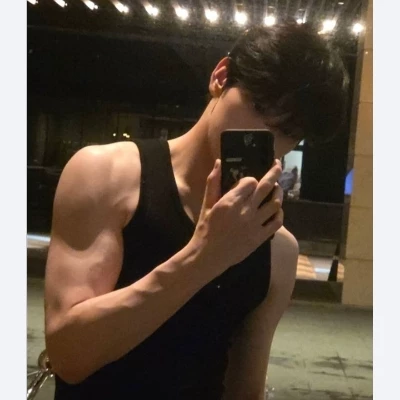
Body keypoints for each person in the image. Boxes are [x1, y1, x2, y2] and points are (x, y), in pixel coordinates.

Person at [44, 22, 349, 399]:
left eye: (288, 131)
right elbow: (69, 357)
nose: (265, 136)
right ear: (221, 76)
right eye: (259, 107)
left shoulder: (277, 248)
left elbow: (244, 390)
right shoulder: (106, 175)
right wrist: (204, 257)